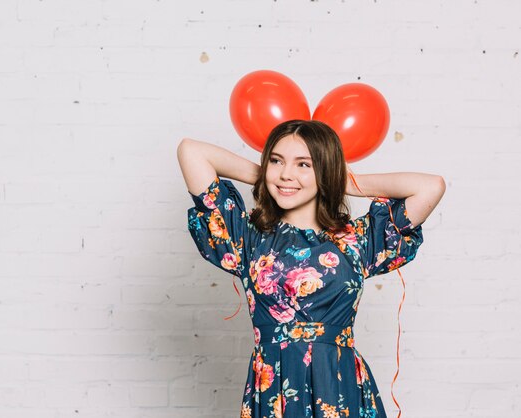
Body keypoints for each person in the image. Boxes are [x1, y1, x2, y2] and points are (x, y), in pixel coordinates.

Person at [177, 119, 445, 418]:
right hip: (274, 388)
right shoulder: (249, 237)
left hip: (338, 384)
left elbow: (430, 186)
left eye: (304, 164)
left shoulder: (356, 241)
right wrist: (271, 176)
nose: (287, 173)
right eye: (277, 160)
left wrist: (335, 179)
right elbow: (191, 151)